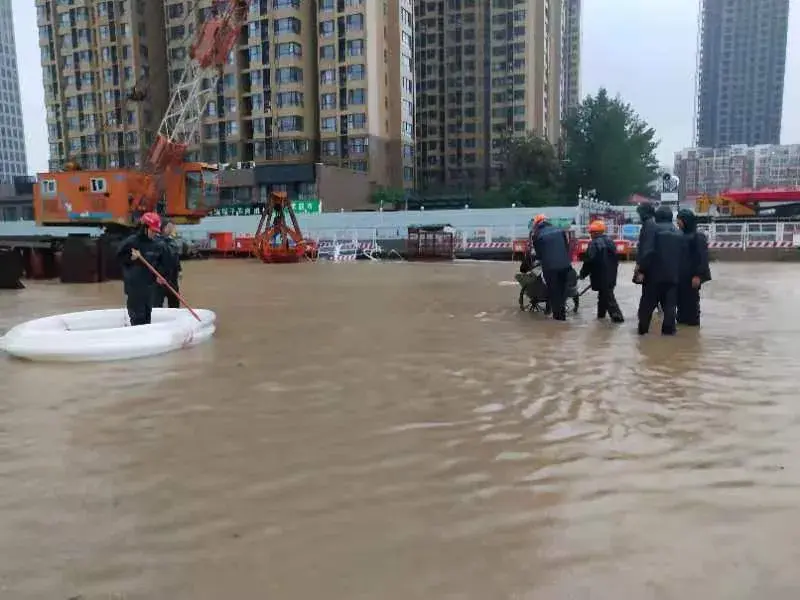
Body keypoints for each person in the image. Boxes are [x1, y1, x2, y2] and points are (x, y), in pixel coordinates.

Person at [636, 205, 683, 335]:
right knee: (670, 308)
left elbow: (648, 252)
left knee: (646, 308)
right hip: (673, 278)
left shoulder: (653, 230)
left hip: (653, 278)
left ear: (657, 216)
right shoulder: (679, 233)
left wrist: (641, 270)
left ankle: (642, 333)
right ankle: (668, 336)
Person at [117, 212, 167, 326]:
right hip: (134, 287)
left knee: (147, 315)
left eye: (156, 231)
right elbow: (119, 257)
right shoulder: (132, 241)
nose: (154, 233)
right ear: (145, 228)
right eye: (152, 231)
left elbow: (160, 262)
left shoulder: (157, 244)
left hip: (149, 287)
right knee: (137, 317)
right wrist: (131, 258)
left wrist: (160, 275)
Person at [579, 219, 624, 323]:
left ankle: (618, 319)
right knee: (603, 296)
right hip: (611, 274)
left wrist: (582, 274)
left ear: (596, 232)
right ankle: (601, 317)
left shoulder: (594, 244)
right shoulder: (610, 241)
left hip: (600, 275)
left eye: (591, 232)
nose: (590, 234)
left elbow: (589, 261)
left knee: (609, 298)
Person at [531, 217, 573, 321]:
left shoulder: (537, 235)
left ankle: (558, 320)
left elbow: (539, 254)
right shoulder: (559, 230)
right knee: (562, 291)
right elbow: (566, 247)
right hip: (565, 266)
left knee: (554, 292)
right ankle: (562, 316)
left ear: (537, 225)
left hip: (550, 268)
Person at [676, 208, 712, 326]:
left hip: (692, 277)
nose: (677, 223)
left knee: (691, 304)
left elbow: (702, 258)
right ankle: (683, 333)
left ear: (686, 220)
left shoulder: (698, 237)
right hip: (680, 278)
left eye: (679, 220)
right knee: (680, 305)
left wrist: (697, 275)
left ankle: (692, 329)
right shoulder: (679, 235)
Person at [154, 221, 182, 308]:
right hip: (159, 278)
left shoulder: (172, 242)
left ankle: (175, 319)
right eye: (169, 227)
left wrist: (180, 270)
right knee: (157, 304)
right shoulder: (155, 242)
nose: (171, 229)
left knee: (174, 303)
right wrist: (155, 275)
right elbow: (152, 260)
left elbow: (176, 258)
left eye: (172, 227)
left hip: (172, 278)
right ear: (163, 228)